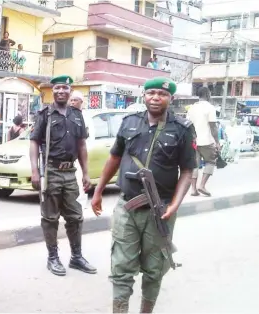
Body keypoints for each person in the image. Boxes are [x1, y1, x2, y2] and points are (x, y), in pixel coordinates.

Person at [91, 77, 195, 313]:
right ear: (144, 96)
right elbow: (114, 158)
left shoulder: (182, 129)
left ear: (171, 98)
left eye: (162, 94)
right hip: (127, 207)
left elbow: (188, 170)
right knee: (121, 267)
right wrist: (97, 191)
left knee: (154, 268)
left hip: (160, 211)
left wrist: (175, 205)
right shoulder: (129, 123)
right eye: (151, 93)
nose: (156, 97)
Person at [29, 75, 96, 277]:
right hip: (51, 172)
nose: (60, 91)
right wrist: (35, 171)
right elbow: (33, 142)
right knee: (50, 218)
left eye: (64, 88)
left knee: (75, 216)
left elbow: (82, 145)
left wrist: (86, 173)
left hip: (70, 173)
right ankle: (53, 258)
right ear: (53, 90)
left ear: (70, 90)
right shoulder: (45, 114)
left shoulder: (77, 114)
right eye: (57, 87)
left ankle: (76, 257)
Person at [186, 86, 219, 197]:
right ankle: (202, 185)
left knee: (195, 164)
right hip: (207, 141)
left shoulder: (192, 108)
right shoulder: (210, 108)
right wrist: (217, 142)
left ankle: (193, 190)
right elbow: (213, 126)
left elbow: (188, 125)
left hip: (193, 141)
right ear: (207, 94)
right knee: (211, 161)